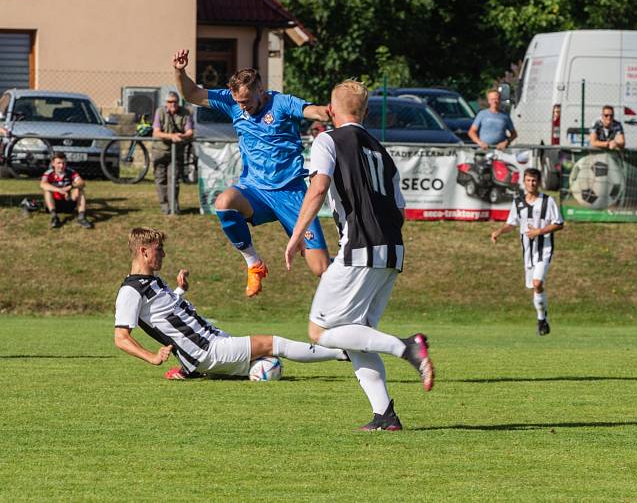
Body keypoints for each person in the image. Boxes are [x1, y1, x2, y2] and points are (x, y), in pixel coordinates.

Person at [285, 80, 434, 431]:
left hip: (358, 248)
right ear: (365, 112)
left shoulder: (328, 140)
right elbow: (400, 209)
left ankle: (407, 346)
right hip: (392, 250)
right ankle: (385, 415)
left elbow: (318, 187)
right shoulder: (381, 151)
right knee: (358, 335)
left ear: (331, 110)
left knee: (319, 332)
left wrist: (296, 235)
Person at [171, 49, 331, 297]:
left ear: (260, 90)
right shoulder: (232, 103)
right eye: (238, 102)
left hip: (292, 194)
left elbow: (314, 111)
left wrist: (331, 111)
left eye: (246, 101)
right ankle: (254, 264)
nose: (243, 107)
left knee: (320, 267)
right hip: (255, 190)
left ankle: (347, 303)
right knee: (224, 202)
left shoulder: (282, 103)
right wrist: (180, 71)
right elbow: (192, 94)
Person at [114, 227, 348, 380]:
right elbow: (121, 338)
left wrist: (179, 291)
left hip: (211, 344)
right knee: (274, 343)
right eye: (159, 249)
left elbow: (165, 315)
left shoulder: (151, 282)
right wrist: (152, 357)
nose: (163, 254)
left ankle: (198, 371)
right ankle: (341, 352)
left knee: (262, 362)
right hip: (208, 350)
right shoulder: (131, 290)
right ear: (144, 252)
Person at [490, 168, 564, 335]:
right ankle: (542, 319)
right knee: (534, 287)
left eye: (534, 180)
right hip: (528, 253)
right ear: (524, 182)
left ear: (539, 182)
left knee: (538, 283)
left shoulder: (548, 201)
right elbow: (512, 223)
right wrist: (499, 232)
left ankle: (540, 319)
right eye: (529, 180)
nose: (531, 183)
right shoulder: (518, 202)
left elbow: (559, 224)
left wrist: (539, 231)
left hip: (544, 250)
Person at [152, 91, 194, 214]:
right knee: (160, 179)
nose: (173, 104)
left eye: (175, 101)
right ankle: (165, 207)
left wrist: (182, 136)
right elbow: (156, 132)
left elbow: (190, 131)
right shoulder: (160, 112)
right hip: (160, 151)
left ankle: (174, 208)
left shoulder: (185, 112)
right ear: (166, 103)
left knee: (174, 180)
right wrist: (171, 136)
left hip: (177, 152)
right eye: (170, 102)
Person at [40, 151, 93, 229]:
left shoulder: (71, 172)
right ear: (53, 163)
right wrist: (59, 190)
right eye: (59, 163)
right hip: (54, 203)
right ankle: (54, 217)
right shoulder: (49, 173)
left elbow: (82, 183)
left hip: (68, 202)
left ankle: (81, 218)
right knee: (47, 190)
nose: (61, 166)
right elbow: (42, 184)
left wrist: (70, 186)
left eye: (63, 163)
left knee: (80, 190)